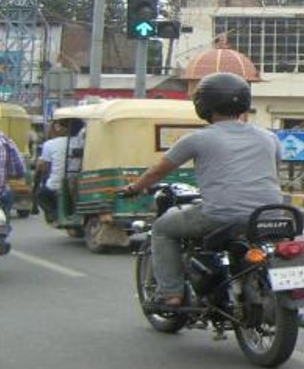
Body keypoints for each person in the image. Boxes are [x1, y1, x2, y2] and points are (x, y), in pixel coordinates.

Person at [117, 72, 282, 309]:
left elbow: (158, 172)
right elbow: (273, 173)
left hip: (221, 215)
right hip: (272, 214)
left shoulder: (197, 139)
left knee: (163, 228)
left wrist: (134, 187)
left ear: (202, 105)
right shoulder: (269, 137)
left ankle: (171, 293)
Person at [34, 121, 73, 222]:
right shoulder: (79, 141)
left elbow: (44, 166)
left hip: (58, 184)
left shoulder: (50, 144)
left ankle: (54, 213)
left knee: (40, 194)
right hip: (76, 181)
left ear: (57, 128)